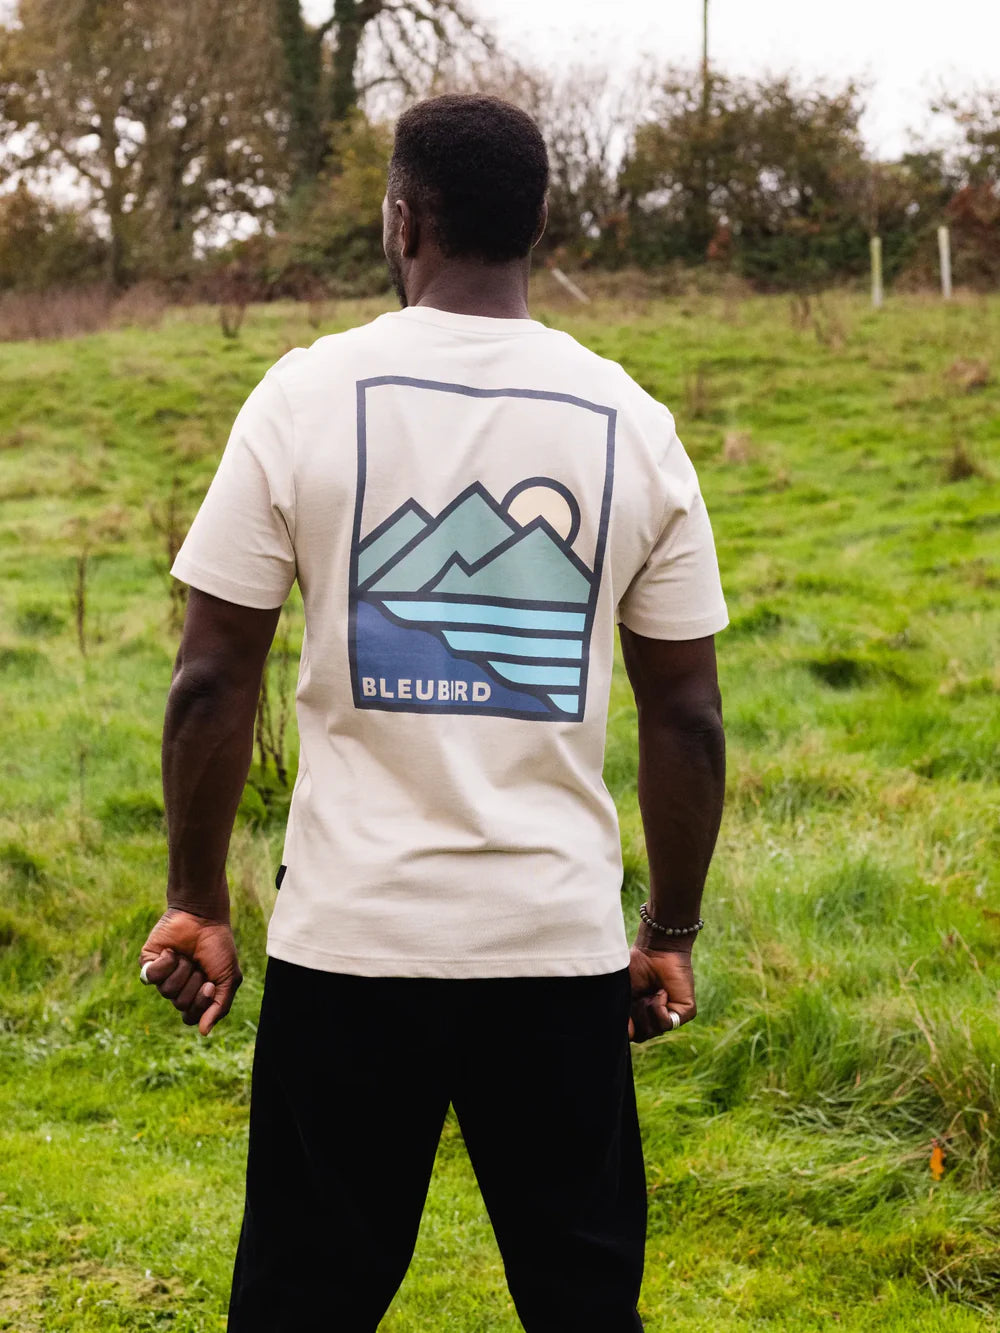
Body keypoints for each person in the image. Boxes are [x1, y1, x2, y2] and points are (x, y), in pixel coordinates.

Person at [138, 93, 728, 1333]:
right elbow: (688, 718)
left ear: (403, 220)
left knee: (302, 1301)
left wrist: (198, 897)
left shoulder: (304, 395)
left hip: (349, 946)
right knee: (582, 1304)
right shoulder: (632, 419)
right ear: (537, 223)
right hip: (555, 949)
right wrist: (665, 928)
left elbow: (209, 677)